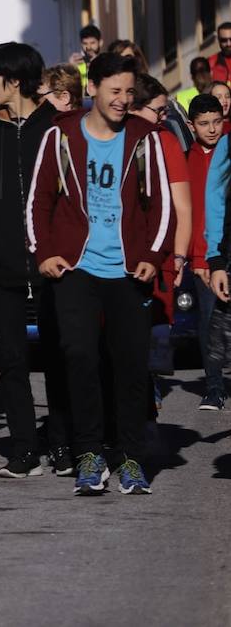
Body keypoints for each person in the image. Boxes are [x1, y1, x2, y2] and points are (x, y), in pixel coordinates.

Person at [28, 52, 170, 496]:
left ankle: (128, 457)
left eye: (130, 92)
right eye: (115, 91)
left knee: (129, 366)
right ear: (93, 89)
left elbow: (161, 204)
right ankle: (88, 452)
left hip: (128, 271)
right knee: (80, 358)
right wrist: (44, 252)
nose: (123, 100)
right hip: (76, 268)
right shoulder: (61, 134)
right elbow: (37, 202)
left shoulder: (146, 137)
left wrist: (154, 254)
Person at [0, 43, 73, 478]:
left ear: (16, 78)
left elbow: (71, 196)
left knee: (61, 357)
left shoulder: (57, 129)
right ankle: (24, 450)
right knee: (11, 361)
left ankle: (63, 444)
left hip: (55, 266)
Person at [130, 76, 191, 337]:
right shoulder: (110, 137)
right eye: (159, 110)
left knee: (153, 344)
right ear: (134, 107)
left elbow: (183, 206)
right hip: (116, 258)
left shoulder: (167, 141)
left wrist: (178, 257)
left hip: (159, 258)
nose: (164, 117)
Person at [186, 95, 226, 410]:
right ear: (191, 126)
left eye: (217, 121)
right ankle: (213, 386)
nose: (212, 129)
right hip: (205, 259)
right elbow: (190, 215)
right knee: (209, 321)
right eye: (204, 123)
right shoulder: (186, 162)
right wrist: (198, 259)